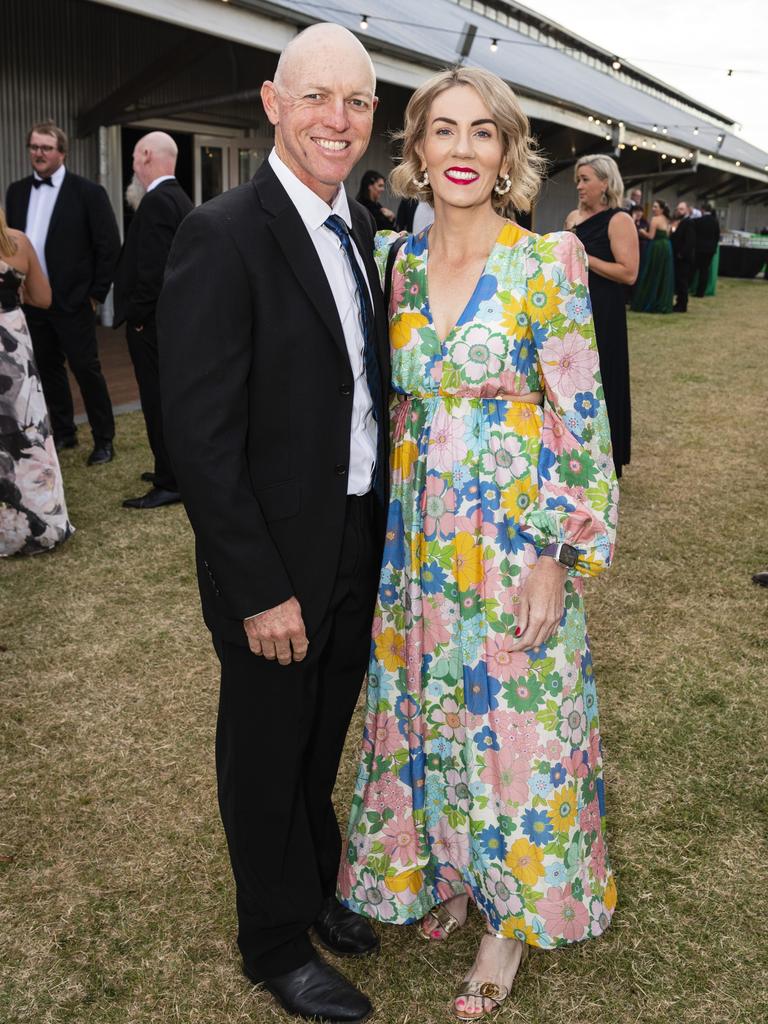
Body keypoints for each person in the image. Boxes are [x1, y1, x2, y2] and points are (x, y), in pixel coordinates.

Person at [338, 66, 619, 1021]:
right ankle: (452, 867)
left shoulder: (548, 264)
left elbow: (582, 419)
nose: (462, 150)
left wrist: (555, 553)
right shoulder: (390, 266)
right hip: (417, 546)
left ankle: (511, 923)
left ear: (508, 155)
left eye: (483, 133)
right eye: (443, 131)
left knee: (522, 721)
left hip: (511, 540)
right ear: (415, 149)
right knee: (432, 706)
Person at [157, 23, 389, 1024]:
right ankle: (273, 941)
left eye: (359, 103)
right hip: (275, 560)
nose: (339, 120)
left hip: (354, 538)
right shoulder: (223, 232)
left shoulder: (363, 230)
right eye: (318, 97)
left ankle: (315, 884)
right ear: (272, 103)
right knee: (264, 745)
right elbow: (198, 437)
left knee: (318, 735)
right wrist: (257, 586)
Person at [5, 122, 121, 465]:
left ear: (62, 153)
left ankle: (104, 439)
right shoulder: (17, 191)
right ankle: (65, 432)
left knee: (86, 369)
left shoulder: (88, 193)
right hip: (31, 301)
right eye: (34, 147)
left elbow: (109, 247)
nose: (38, 153)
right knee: (47, 370)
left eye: (46, 147)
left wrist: (96, 294)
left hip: (74, 301)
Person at [113, 131, 192, 509]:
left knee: (158, 400)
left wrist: (139, 317)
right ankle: (170, 467)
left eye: (133, 156)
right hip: (168, 324)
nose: (131, 164)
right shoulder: (177, 198)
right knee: (167, 400)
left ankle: (169, 480)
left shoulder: (158, 202)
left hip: (154, 326)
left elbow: (154, 270)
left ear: (145, 155)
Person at [0, 208, 74, 556]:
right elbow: (43, 298)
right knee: (28, 431)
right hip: (13, 346)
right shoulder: (18, 243)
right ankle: (39, 520)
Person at [565, 155, 638, 477]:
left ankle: (606, 457)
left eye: (585, 179)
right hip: (572, 308)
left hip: (604, 311)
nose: (579, 186)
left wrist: (583, 256)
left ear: (605, 183)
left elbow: (628, 273)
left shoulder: (619, 220)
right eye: (578, 180)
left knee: (603, 377)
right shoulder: (572, 217)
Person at [631, 199, 674, 314]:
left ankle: (648, 301)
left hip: (657, 247)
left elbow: (651, 236)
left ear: (661, 209)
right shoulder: (667, 219)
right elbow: (668, 234)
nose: (653, 209)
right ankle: (661, 301)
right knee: (663, 273)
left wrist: (642, 232)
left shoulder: (655, 219)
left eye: (655, 207)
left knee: (652, 272)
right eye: (653, 207)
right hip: (666, 247)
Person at [671, 201, 696, 313]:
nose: (679, 211)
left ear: (686, 210)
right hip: (678, 256)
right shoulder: (679, 222)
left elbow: (689, 241)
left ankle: (682, 304)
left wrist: (682, 254)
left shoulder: (688, 222)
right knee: (679, 281)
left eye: (681, 209)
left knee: (682, 281)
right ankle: (679, 302)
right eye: (678, 209)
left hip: (683, 258)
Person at [693, 202, 720, 297]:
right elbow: (717, 236)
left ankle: (690, 288)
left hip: (699, 249)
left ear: (702, 210)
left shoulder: (698, 221)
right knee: (704, 271)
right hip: (710, 250)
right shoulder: (715, 221)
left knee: (694, 269)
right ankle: (701, 292)